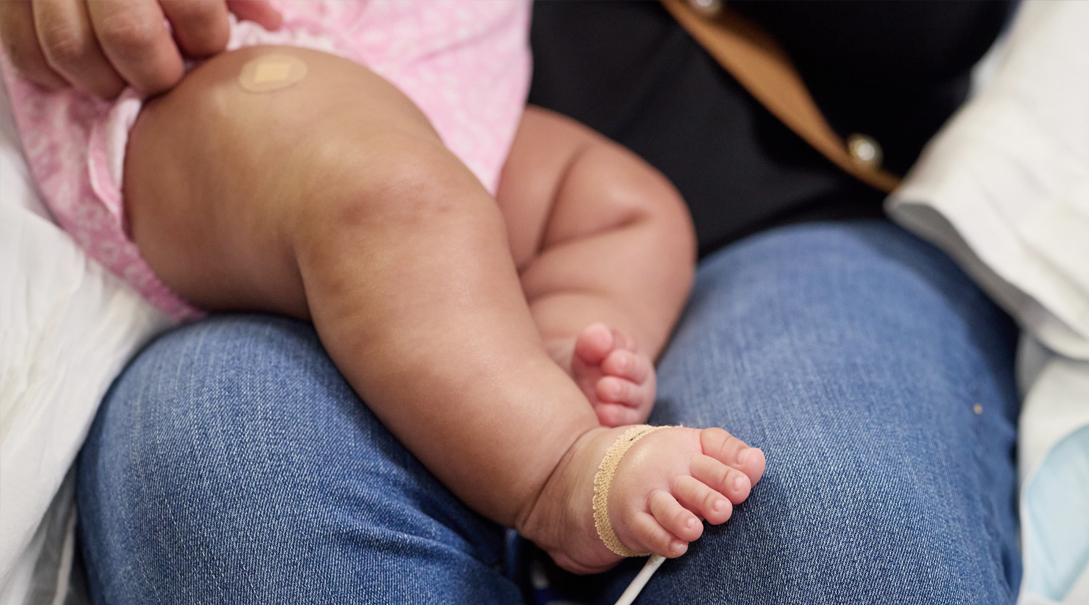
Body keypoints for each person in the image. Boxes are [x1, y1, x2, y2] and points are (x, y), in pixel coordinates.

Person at [3, 1, 1023, 603]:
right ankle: (554, 471)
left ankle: (535, 366)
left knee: (829, 539)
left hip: (548, 140)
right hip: (237, 75)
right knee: (236, 464)